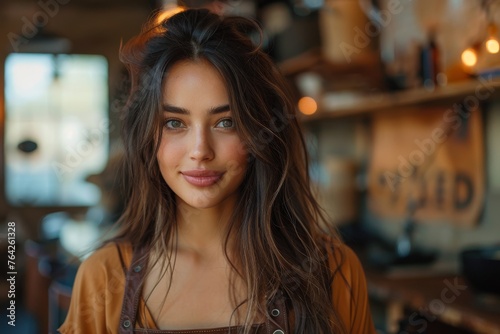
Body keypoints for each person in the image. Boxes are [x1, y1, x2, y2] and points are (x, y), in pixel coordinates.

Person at [59, 8, 376, 334]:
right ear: (147, 137)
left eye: (226, 122)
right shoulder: (104, 277)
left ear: (259, 134)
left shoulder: (332, 271)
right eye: (174, 123)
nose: (200, 151)